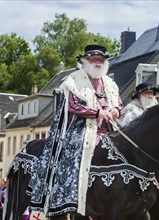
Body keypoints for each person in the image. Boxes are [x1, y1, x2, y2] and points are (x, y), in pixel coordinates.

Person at [27, 44, 124, 217]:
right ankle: (71, 194)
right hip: (83, 129)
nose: (97, 62)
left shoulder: (110, 83)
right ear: (85, 61)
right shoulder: (74, 79)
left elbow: (120, 105)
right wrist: (97, 112)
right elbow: (73, 105)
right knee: (75, 151)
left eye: (101, 60)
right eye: (93, 59)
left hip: (110, 129)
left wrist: (116, 111)